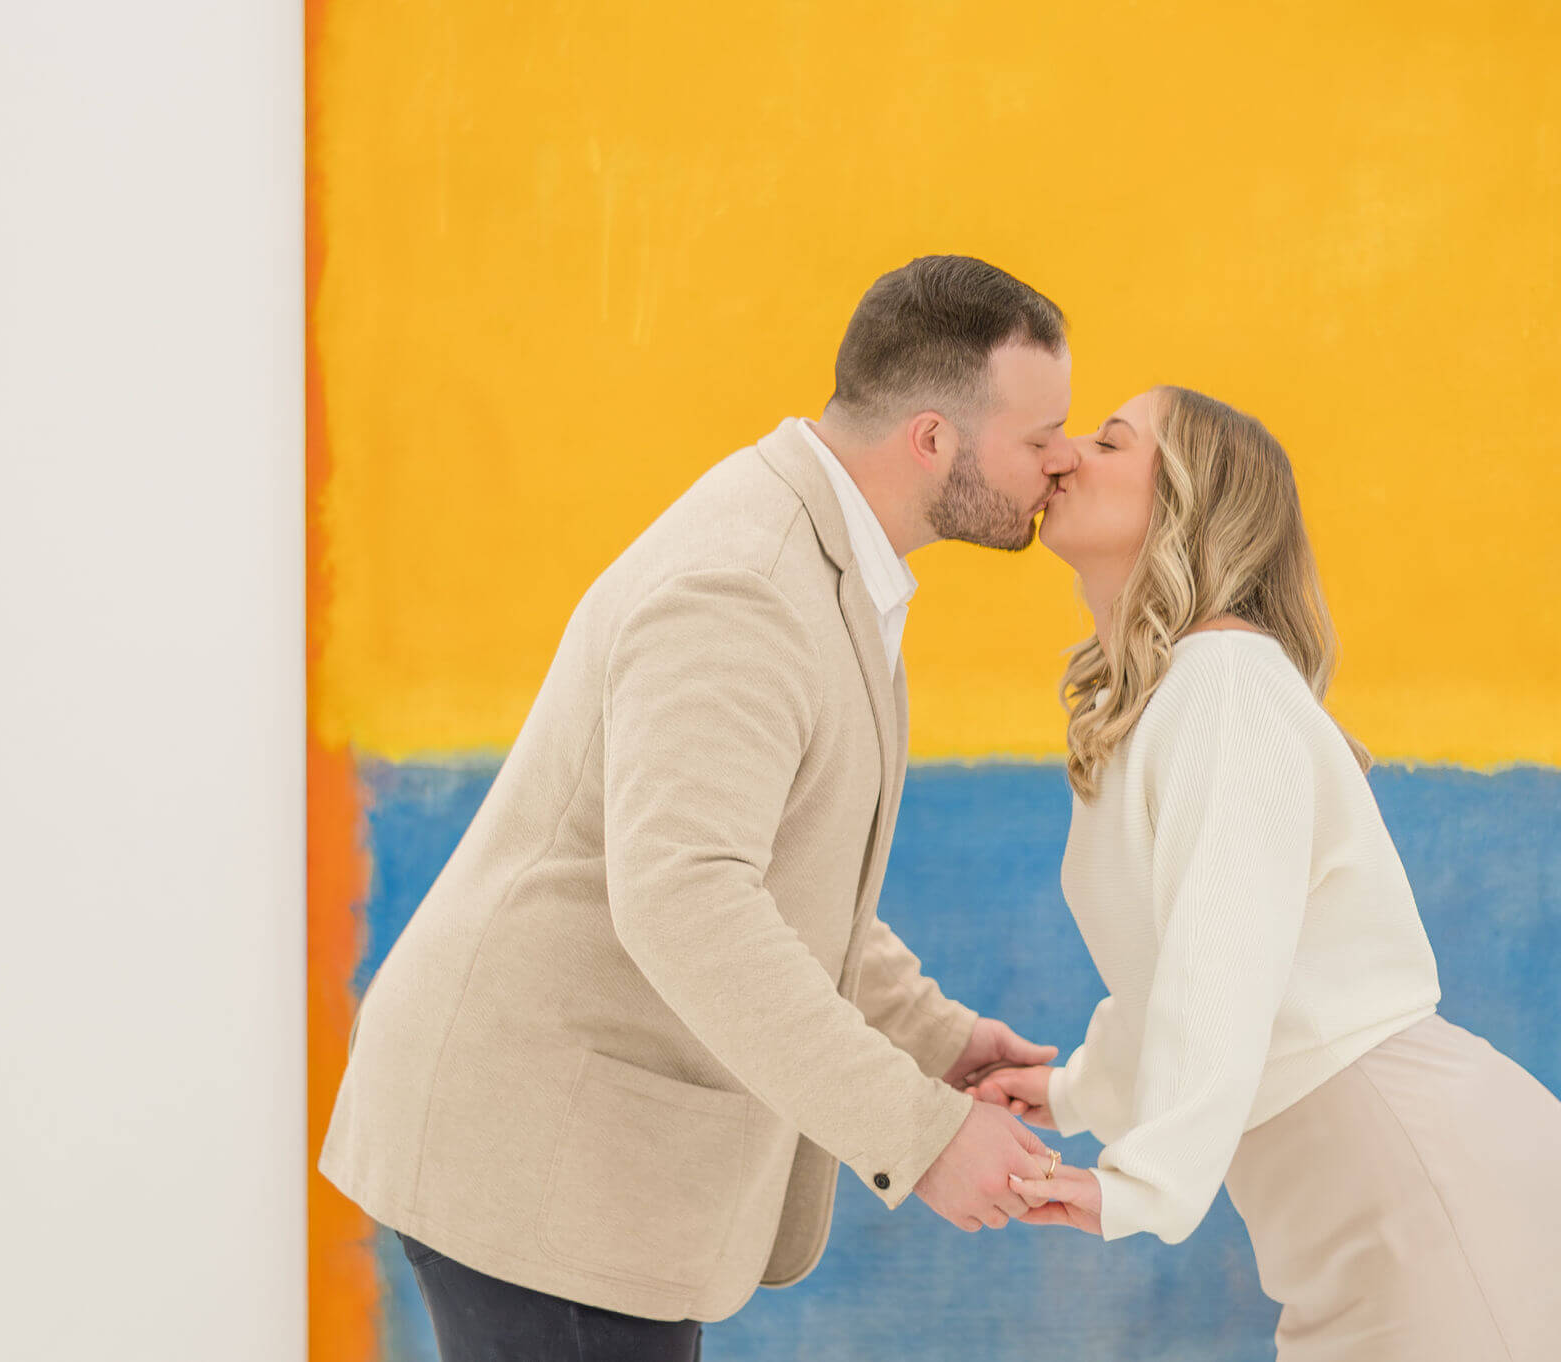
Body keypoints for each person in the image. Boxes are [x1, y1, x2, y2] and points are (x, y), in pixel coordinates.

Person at [318, 256, 1079, 1360]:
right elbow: (688, 902)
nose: (1058, 463)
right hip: (531, 1163)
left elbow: (773, 876)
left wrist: (936, 1040)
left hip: (589, 1169)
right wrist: (918, 1136)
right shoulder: (745, 586)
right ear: (931, 439)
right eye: (1038, 435)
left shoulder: (825, 564)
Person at [969, 386, 1561, 1360]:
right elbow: (1175, 970)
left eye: (1108, 441)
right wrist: (1071, 1095)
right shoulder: (1166, 700)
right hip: (1357, 1215)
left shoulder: (1224, 680)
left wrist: (1143, 1183)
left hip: (1431, 1197)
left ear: (1187, 503)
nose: (1063, 454)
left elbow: (1223, 958)